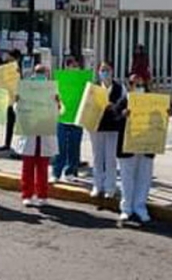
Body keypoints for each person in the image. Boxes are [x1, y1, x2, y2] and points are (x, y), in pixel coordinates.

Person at [14, 65, 61, 207]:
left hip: (45, 132)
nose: (41, 75)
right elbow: (16, 109)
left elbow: (59, 111)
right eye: (38, 72)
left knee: (43, 167)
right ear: (34, 74)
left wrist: (57, 104)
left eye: (43, 72)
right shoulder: (25, 90)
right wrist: (18, 102)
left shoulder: (52, 90)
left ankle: (42, 195)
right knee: (27, 167)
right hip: (30, 132)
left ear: (47, 74)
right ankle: (27, 194)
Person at [117, 75, 156, 225]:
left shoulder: (152, 101)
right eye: (134, 83)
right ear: (129, 85)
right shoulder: (125, 100)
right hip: (128, 147)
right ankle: (126, 208)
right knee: (127, 178)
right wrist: (122, 114)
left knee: (144, 178)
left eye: (140, 83)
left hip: (146, 145)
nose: (138, 86)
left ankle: (140, 207)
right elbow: (113, 114)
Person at [90, 61, 126, 199]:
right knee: (97, 157)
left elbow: (123, 104)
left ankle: (110, 187)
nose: (105, 72)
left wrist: (114, 107)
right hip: (96, 126)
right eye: (102, 70)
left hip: (112, 126)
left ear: (112, 71)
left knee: (110, 158)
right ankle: (97, 185)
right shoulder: (94, 87)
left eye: (107, 70)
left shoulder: (120, 87)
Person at [52, 56, 84, 183]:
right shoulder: (60, 79)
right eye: (70, 65)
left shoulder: (83, 80)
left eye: (75, 65)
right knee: (59, 146)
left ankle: (71, 171)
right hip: (62, 118)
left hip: (77, 118)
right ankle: (56, 172)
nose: (72, 68)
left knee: (74, 146)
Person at [0, 50, 22, 152]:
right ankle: (7, 144)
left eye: (10, 57)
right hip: (9, 98)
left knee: (19, 124)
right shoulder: (6, 67)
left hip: (18, 99)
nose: (8, 59)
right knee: (10, 122)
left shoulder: (18, 68)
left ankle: (18, 146)